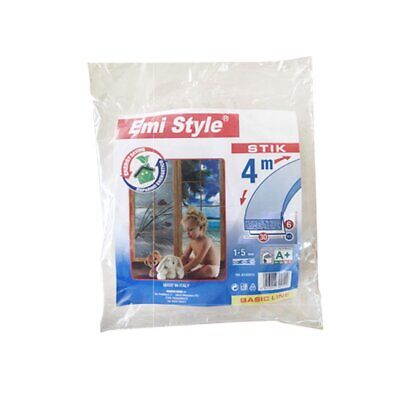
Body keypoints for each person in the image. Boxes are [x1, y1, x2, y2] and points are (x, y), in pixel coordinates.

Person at [181, 207, 220, 279]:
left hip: (212, 267)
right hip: (201, 265)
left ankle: (189, 275)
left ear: (201, 228)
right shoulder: (192, 242)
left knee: (209, 270)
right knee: (187, 259)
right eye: (186, 230)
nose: (187, 233)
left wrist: (184, 269)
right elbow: (185, 256)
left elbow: (198, 259)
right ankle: (189, 273)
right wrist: (178, 264)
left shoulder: (206, 241)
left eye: (190, 230)